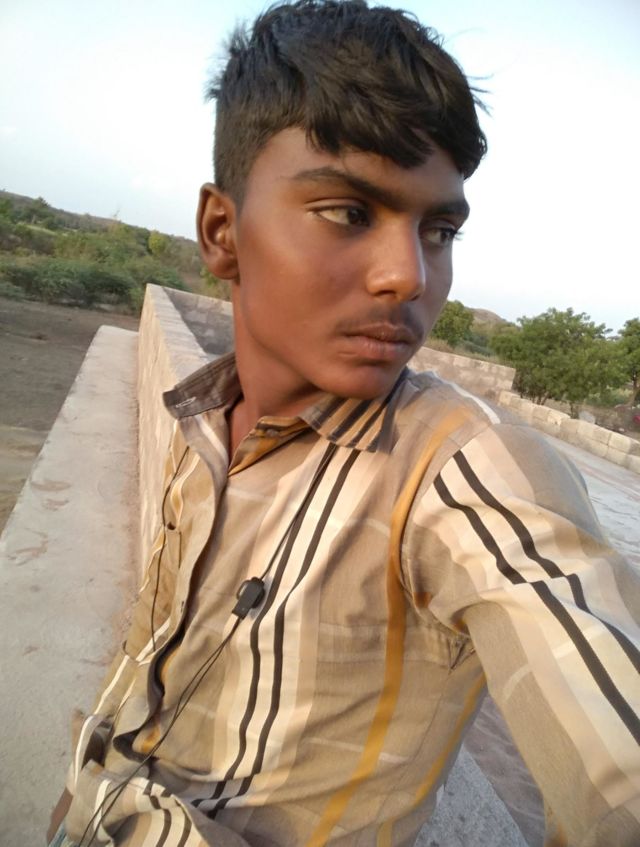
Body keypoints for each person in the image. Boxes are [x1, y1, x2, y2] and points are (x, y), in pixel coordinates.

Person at [50, 1, 640, 845]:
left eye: (440, 230)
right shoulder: (204, 418)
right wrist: (86, 790)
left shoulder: (463, 468)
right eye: (348, 212)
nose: (410, 275)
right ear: (222, 232)